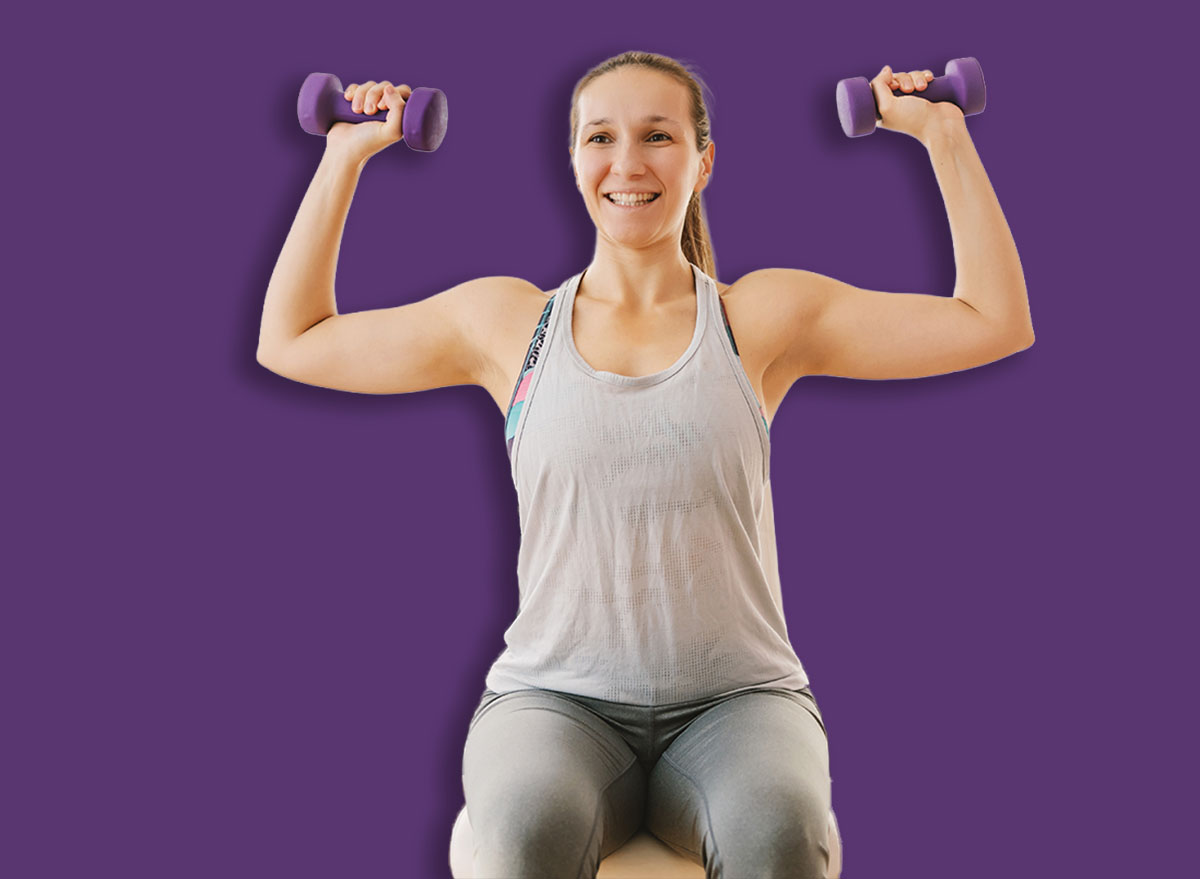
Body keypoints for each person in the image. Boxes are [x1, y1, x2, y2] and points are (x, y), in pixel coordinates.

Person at [258, 51, 1033, 879]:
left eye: (658, 135)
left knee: (779, 836)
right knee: (524, 833)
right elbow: (292, 341)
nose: (628, 163)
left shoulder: (759, 319)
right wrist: (343, 157)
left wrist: (944, 135)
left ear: (703, 160)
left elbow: (992, 319)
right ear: (573, 159)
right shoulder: (508, 325)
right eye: (602, 136)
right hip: (557, 700)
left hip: (740, 701)